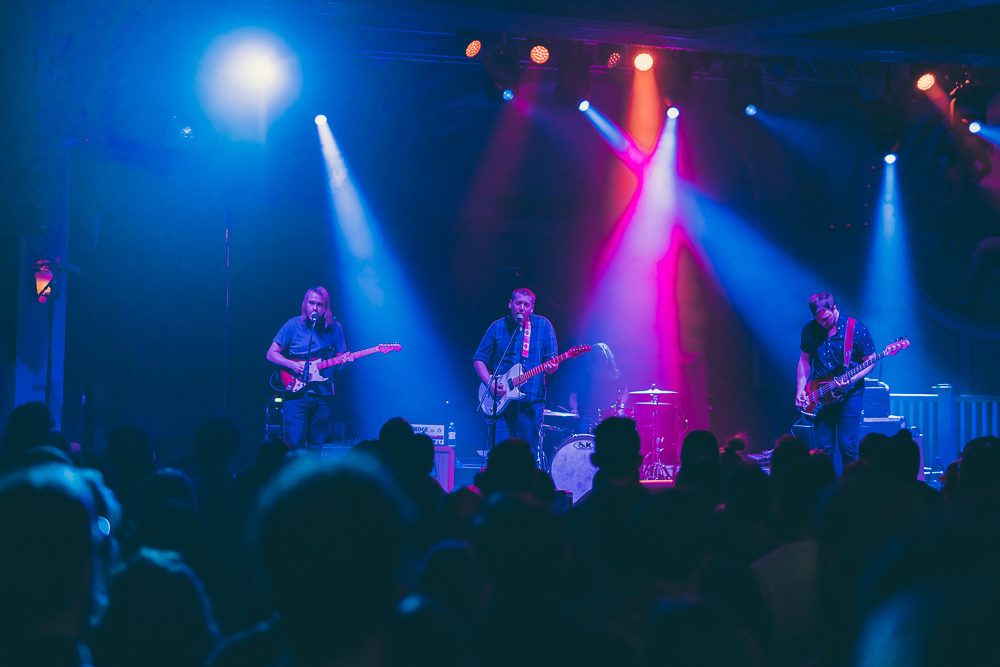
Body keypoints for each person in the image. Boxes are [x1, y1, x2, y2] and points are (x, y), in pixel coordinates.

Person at [473, 288, 559, 457]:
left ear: (532, 308)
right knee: (499, 454)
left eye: (526, 305)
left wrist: (552, 366)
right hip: (500, 401)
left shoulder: (543, 326)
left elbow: (552, 360)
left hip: (531, 400)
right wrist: (489, 383)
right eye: (518, 303)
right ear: (510, 304)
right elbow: (479, 359)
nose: (521, 308)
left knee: (528, 455)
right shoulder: (497, 327)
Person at [795, 292, 876, 467]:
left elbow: (871, 360)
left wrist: (853, 378)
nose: (823, 323)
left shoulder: (856, 329)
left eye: (827, 319)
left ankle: (852, 490)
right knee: (823, 450)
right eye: (819, 320)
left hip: (850, 393)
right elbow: (805, 359)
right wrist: (800, 388)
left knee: (848, 446)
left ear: (834, 308)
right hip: (820, 393)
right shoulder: (809, 331)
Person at [266, 287, 352, 449]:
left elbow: (340, 362)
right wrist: (291, 364)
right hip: (295, 394)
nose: (315, 307)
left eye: (319, 304)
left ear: (325, 308)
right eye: (311, 303)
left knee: (316, 446)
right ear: (305, 304)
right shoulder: (293, 325)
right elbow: (271, 354)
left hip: (324, 395)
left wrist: (345, 361)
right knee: (294, 445)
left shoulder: (335, 328)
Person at [567, 342, 628, 433]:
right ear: (594, 360)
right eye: (601, 360)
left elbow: (625, 393)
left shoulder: (615, 374)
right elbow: (573, 397)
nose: (604, 362)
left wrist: (620, 407)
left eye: (606, 360)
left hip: (610, 417)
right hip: (588, 417)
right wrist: (574, 409)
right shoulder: (583, 374)